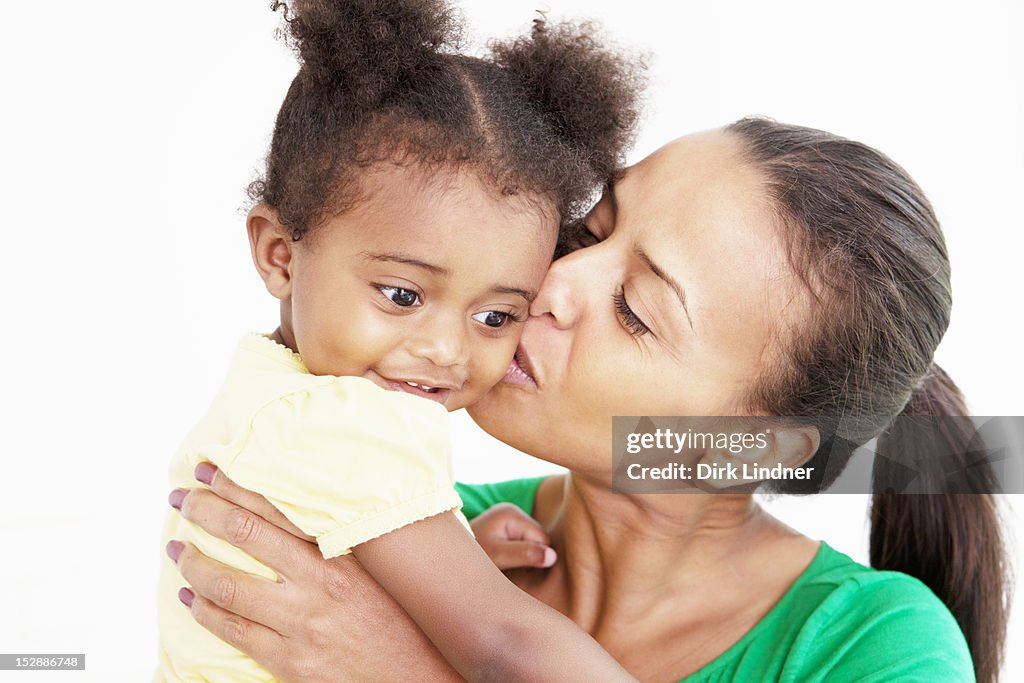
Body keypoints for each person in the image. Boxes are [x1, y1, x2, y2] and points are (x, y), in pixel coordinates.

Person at [165, 120, 1009, 682]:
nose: (553, 283)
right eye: (596, 228)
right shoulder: (410, 531)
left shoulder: (870, 645)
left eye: (636, 310)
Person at [157, 1, 645, 681]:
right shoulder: (344, 421)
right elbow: (505, 640)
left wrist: (456, 552)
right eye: (403, 295)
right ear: (279, 254)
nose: (446, 348)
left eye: (498, 316)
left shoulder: (274, 389)